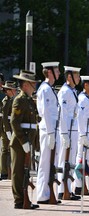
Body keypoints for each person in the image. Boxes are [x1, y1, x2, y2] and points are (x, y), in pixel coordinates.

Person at [10, 70, 41, 209]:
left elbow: (33, 122)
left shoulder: (29, 100)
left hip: (28, 141)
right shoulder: (19, 100)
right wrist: (23, 142)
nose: (35, 85)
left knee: (25, 171)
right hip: (19, 143)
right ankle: (19, 200)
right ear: (25, 85)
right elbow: (15, 122)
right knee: (18, 172)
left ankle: (24, 199)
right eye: (32, 83)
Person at [36, 62, 61, 204]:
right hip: (47, 130)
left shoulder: (49, 89)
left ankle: (48, 193)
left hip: (52, 129)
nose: (58, 73)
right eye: (56, 70)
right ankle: (42, 195)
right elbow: (45, 112)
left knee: (51, 163)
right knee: (45, 163)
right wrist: (51, 132)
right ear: (50, 72)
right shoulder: (45, 89)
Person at [57, 66, 81, 200]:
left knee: (70, 161)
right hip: (68, 130)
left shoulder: (72, 91)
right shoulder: (65, 92)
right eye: (76, 75)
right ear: (69, 76)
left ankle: (68, 189)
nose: (79, 78)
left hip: (73, 130)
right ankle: (62, 190)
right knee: (63, 160)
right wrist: (64, 133)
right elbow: (63, 114)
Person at [74, 75, 89, 195]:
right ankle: (80, 186)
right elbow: (81, 118)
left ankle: (81, 186)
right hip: (86, 133)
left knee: (84, 160)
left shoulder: (86, 98)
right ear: (86, 85)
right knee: (81, 160)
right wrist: (82, 135)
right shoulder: (83, 99)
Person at [1, 81, 17, 180]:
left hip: (10, 129)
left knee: (8, 151)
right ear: (8, 91)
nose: (15, 91)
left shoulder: (11, 100)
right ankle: (4, 172)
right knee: (5, 150)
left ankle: (7, 171)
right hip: (6, 129)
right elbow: (4, 118)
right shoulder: (6, 101)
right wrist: (7, 131)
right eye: (13, 89)